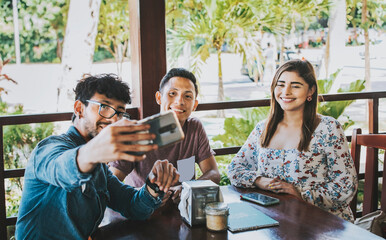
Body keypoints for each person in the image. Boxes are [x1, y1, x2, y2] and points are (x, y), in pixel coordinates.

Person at [15, 74, 179, 239]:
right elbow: (62, 169)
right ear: (79, 109)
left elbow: (132, 205)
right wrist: (93, 152)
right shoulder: (48, 149)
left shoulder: (100, 168)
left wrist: (153, 185)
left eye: (120, 113)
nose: (114, 119)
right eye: (104, 107)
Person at [227, 59, 358, 222]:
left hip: (323, 223)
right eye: (280, 84)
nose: (286, 92)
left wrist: (300, 193)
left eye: (295, 86)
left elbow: (346, 186)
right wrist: (259, 181)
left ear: (310, 91)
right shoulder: (264, 129)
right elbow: (234, 169)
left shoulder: (328, 128)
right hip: (275, 219)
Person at [109, 68, 220, 203]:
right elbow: (112, 184)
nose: (180, 101)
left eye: (188, 96)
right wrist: (149, 194)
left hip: (182, 211)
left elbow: (213, 173)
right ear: (159, 98)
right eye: (172, 93)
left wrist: (187, 187)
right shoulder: (139, 133)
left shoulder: (194, 128)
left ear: (194, 104)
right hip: (143, 213)